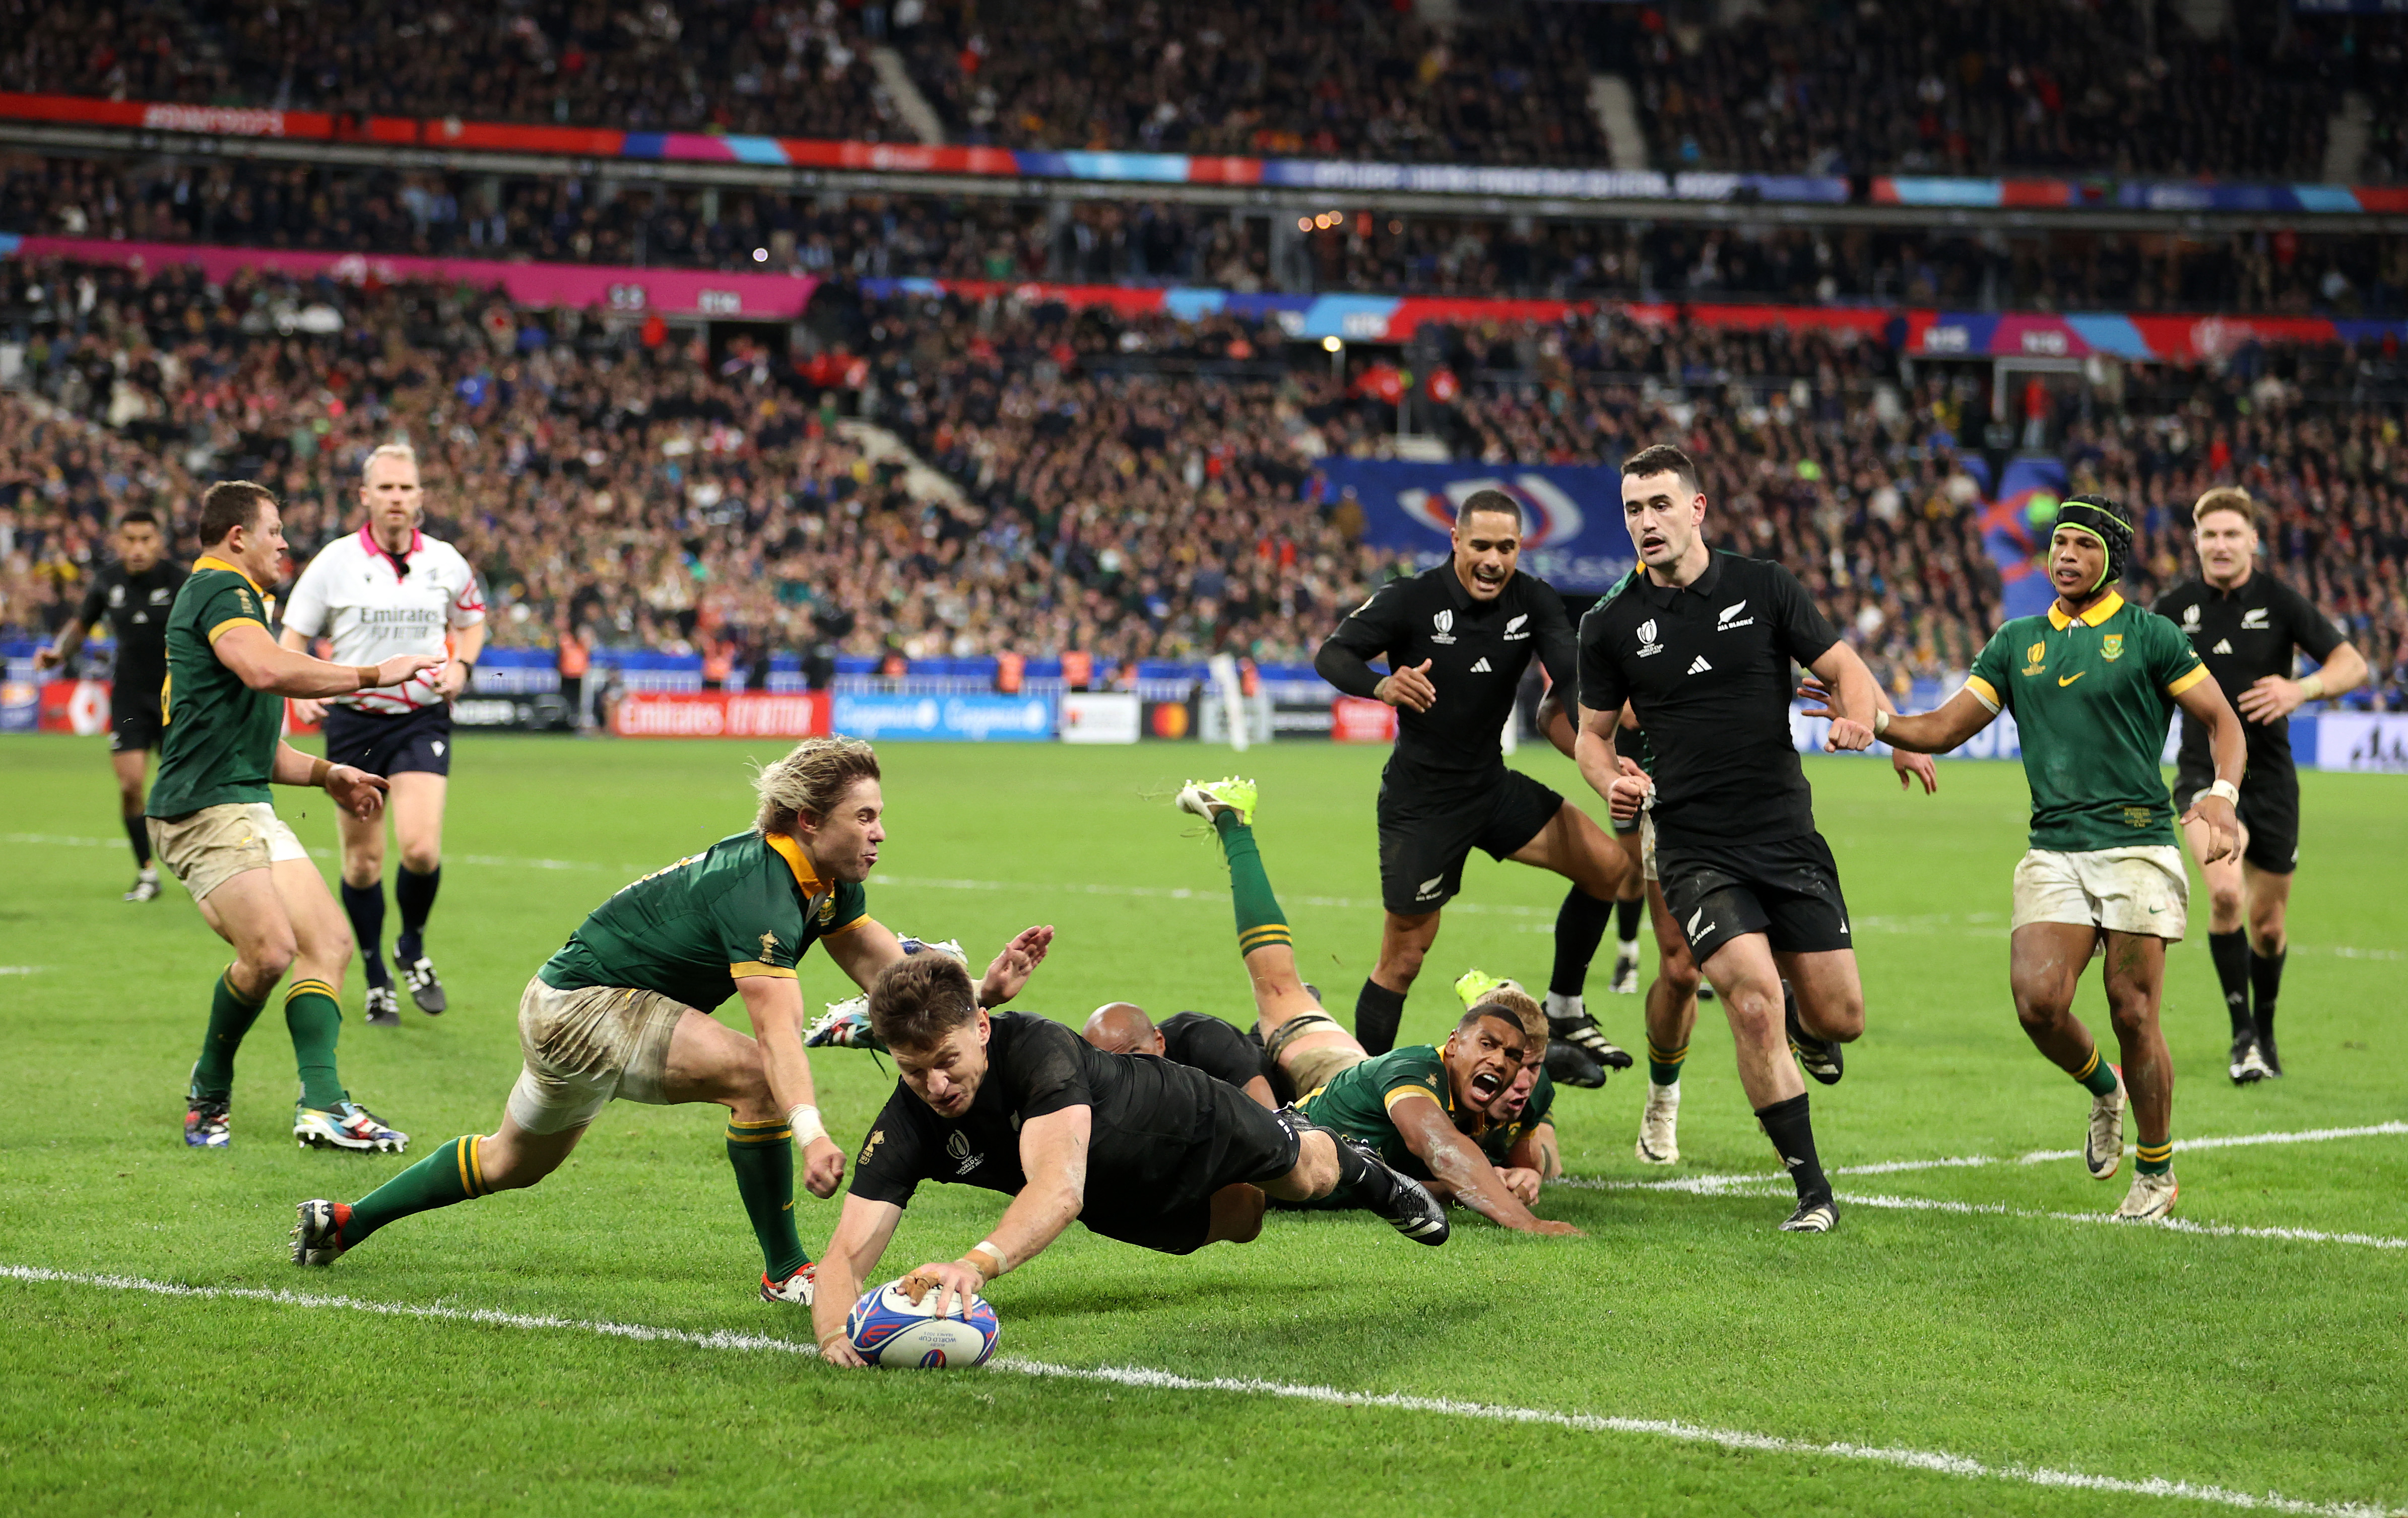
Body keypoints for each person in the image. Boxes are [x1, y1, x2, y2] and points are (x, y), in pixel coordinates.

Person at [291, 737, 1056, 1305]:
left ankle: (347, 1222)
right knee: (760, 1079)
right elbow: (777, 1034)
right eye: (864, 817)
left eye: (879, 816)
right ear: (808, 819)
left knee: (508, 1164)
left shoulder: (825, 878)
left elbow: (896, 984)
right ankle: (788, 1270)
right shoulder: (758, 888)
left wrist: (977, 993)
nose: (879, 831)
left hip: (570, 1003)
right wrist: (812, 1131)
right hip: (584, 1008)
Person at [1853, 498, 2247, 1222]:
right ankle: (2104, 1087)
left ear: (2110, 559)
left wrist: (2220, 794)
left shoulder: (2149, 636)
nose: (2063, 556)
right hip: (2054, 849)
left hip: (2136, 844)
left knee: (2132, 1011)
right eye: (2057, 543)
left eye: (2081, 545)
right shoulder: (2015, 642)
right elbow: (1942, 726)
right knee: (2037, 1003)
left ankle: (2155, 1171)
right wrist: (1874, 721)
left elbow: (2222, 721)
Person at [810, 952, 1452, 1363]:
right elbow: (846, 1254)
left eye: (947, 1062)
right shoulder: (907, 1121)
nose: (937, 1086)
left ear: (980, 1027)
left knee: (1306, 1177)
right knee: (1246, 1219)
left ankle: (1364, 1167)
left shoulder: (1037, 1049)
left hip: (1188, 1119)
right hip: (1118, 1197)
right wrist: (837, 1336)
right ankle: (1310, 1158)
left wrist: (975, 1264)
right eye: (915, 1070)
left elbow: (1058, 1189)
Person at [1572, 443, 1889, 1233]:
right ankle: (1812, 1192)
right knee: (1749, 1002)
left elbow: (1846, 666)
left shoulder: (1765, 586)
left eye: (1657, 506)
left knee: (1839, 1015)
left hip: (1784, 835)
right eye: (1631, 510)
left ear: (1696, 509)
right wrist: (1607, 776)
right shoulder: (1608, 623)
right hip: (1692, 847)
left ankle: (1808, 1027)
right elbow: (1588, 735)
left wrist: (1856, 717)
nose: (1644, 522)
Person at [148, 481, 440, 1152]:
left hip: (242, 801)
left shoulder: (238, 601)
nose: (285, 542)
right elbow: (261, 669)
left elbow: (251, 739)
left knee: (328, 944)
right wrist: (372, 674)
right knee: (271, 950)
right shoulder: (222, 588)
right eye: (274, 530)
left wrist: (327, 773)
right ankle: (211, 1086)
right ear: (236, 537)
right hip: (202, 809)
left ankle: (323, 1105)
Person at [1314, 489, 1632, 1087]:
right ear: (1455, 541)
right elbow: (1333, 655)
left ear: (1520, 548)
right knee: (1404, 956)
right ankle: (1355, 1097)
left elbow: (1569, 670)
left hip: (1491, 788)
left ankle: (1563, 1009)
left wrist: (1616, 718)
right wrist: (1381, 685)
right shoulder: (1412, 598)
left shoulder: (1533, 599)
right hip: (1422, 802)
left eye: (1506, 547)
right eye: (1481, 545)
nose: (1493, 560)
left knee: (1607, 867)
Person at [1171, 776, 1580, 1236]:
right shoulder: (1418, 1078)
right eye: (1491, 1044)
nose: (1518, 1080)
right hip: (1342, 1081)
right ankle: (1234, 821)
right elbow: (1439, 1145)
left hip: (1364, 1125)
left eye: (1527, 1063)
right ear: (1455, 1041)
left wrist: (1524, 1174)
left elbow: (1502, 1165)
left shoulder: (1527, 1090)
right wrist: (1524, 1220)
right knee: (1280, 989)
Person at [2153, 487, 2367, 1082]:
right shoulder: (2173, 608)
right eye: (2210, 535)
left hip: (2272, 780)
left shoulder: (2281, 602)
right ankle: (2241, 1035)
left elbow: (2354, 664)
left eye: (2231, 534)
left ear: (2252, 541)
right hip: (2203, 776)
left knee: (2269, 926)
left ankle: (2265, 1033)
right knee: (2225, 895)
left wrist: (2302, 689)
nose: (2220, 545)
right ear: (2195, 542)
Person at [280, 444, 487, 1025]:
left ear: (420, 498)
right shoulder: (334, 562)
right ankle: (375, 975)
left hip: (421, 715)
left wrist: (462, 667)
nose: (397, 498)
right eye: (387, 488)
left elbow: (472, 622)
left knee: (420, 849)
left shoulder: (447, 561)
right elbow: (292, 638)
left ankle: (412, 946)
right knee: (364, 864)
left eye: (407, 488)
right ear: (365, 496)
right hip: (354, 719)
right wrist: (303, 689)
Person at [35, 510, 187, 901]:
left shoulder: (181, 581)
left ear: (160, 542)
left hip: (177, 698)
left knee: (182, 791)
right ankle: (147, 872)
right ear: (119, 542)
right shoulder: (108, 581)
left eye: (146, 540)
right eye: (130, 540)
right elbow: (81, 624)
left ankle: (195, 868)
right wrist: (58, 653)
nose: (137, 548)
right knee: (131, 785)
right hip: (131, 698)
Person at [1082, 1003, 1278, 1108]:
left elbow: (1276, 1125)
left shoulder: (1204, 1039)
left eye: (1134, 1056)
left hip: (1284, 1069)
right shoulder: (1095, 1082)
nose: (1129, 1074)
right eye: (1111, 1065)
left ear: (1159, 1041)